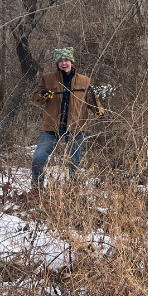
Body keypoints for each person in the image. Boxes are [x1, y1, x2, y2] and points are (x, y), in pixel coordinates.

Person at [30, 47, 104, 191]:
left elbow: (93, 101)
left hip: (75, 129)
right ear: (57, 63)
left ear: (71, 61)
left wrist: (99, 112)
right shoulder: (47, 79)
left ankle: (73, 192)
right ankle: (36, 190)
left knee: (74, 164)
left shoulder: (84, 81)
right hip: (52, 128)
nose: (64, 63)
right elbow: (36, 99)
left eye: (66, 60)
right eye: (61, 61)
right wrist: (43, 94)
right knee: (38, 159)